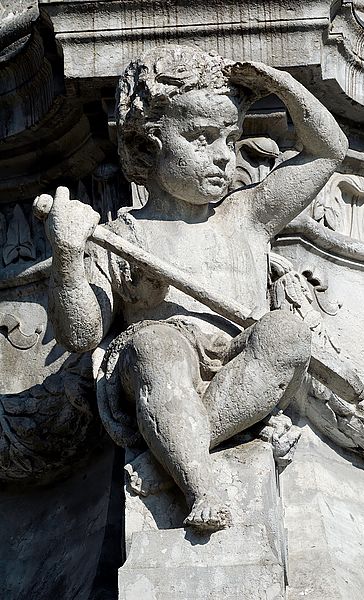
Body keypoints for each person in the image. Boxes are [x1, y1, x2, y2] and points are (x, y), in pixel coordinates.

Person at [45, 45, 348, 532]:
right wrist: (66, 253)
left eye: (230, 138)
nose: (224, 156)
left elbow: (329, 152)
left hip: (238, 366)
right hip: (161, 364)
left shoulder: (248, 215)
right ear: (147, 148)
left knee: (287, 333)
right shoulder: (122, 237)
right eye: (202, 139)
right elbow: (81, 334)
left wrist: (281, 85)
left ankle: (174, 445)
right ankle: (199, 482)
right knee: (156, 345)